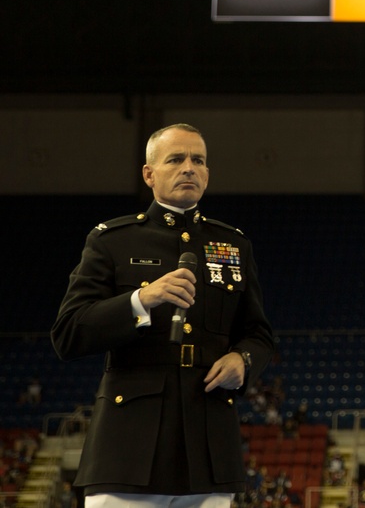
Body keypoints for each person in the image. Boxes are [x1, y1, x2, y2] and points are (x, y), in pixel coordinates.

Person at [51, 123, 275, 508]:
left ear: (207, 174)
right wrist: (140, 300)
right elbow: (68, 334)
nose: (189, 167)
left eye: (198, 160)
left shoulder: (234, 244)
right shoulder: (112, 241)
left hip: (208, 449)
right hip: (127, 451)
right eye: (176, 159)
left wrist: (244, 360)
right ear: (149, 174)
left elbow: (258, 333)